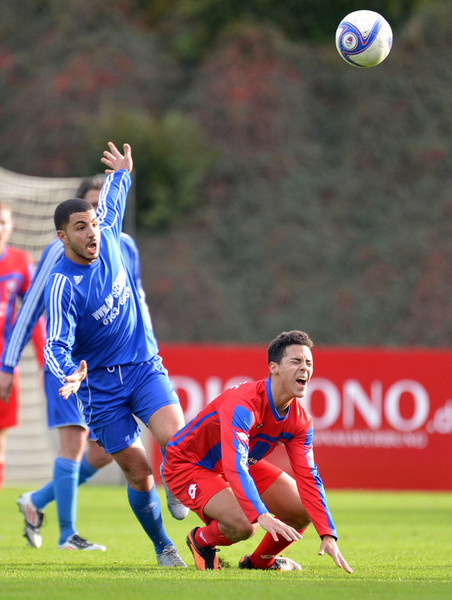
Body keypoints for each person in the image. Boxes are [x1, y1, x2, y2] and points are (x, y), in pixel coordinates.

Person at [0, 174, 186, 551]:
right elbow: (34, 313)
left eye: (98, 215)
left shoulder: (122, 243)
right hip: (79, 373)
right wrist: (10, 364)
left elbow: (137, 296)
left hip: (138, 363)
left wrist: (124, 172)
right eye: (83, 220)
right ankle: (68, 533)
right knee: (78, 445)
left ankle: (38, 500)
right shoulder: (57, 267)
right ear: (64, 234)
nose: (93, 227)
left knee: (106, 453)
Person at [163, 330, 353, 573]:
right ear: (274, 368)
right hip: (188, 464)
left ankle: (259, 561)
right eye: (296, 361)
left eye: (309, 362)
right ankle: (201, 540)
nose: (304, 368)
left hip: (236, 464)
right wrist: (260, 514)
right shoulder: (243, 404)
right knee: (246, 524)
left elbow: (308, 476)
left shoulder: (300, 420)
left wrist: (327, 533)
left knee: (301, 510)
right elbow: (234, 465)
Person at [0, 202, 45, 491]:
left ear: (11, 226)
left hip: (3, 366)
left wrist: (45, 363)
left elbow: (34, 315)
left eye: (3, 222)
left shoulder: (19, 262)